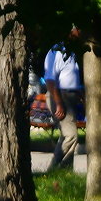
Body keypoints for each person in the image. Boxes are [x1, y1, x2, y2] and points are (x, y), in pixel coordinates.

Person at [43, 29, 83, 171]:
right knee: (71, 136)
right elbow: (50, 80)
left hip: (69, 98)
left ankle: (64, 171)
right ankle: (55, 169)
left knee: (65, 136)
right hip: (60, 97)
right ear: (70, 31)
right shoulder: (57, 51)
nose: (81, 33)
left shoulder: (72, 52)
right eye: (78, 29)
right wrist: (59, 103)